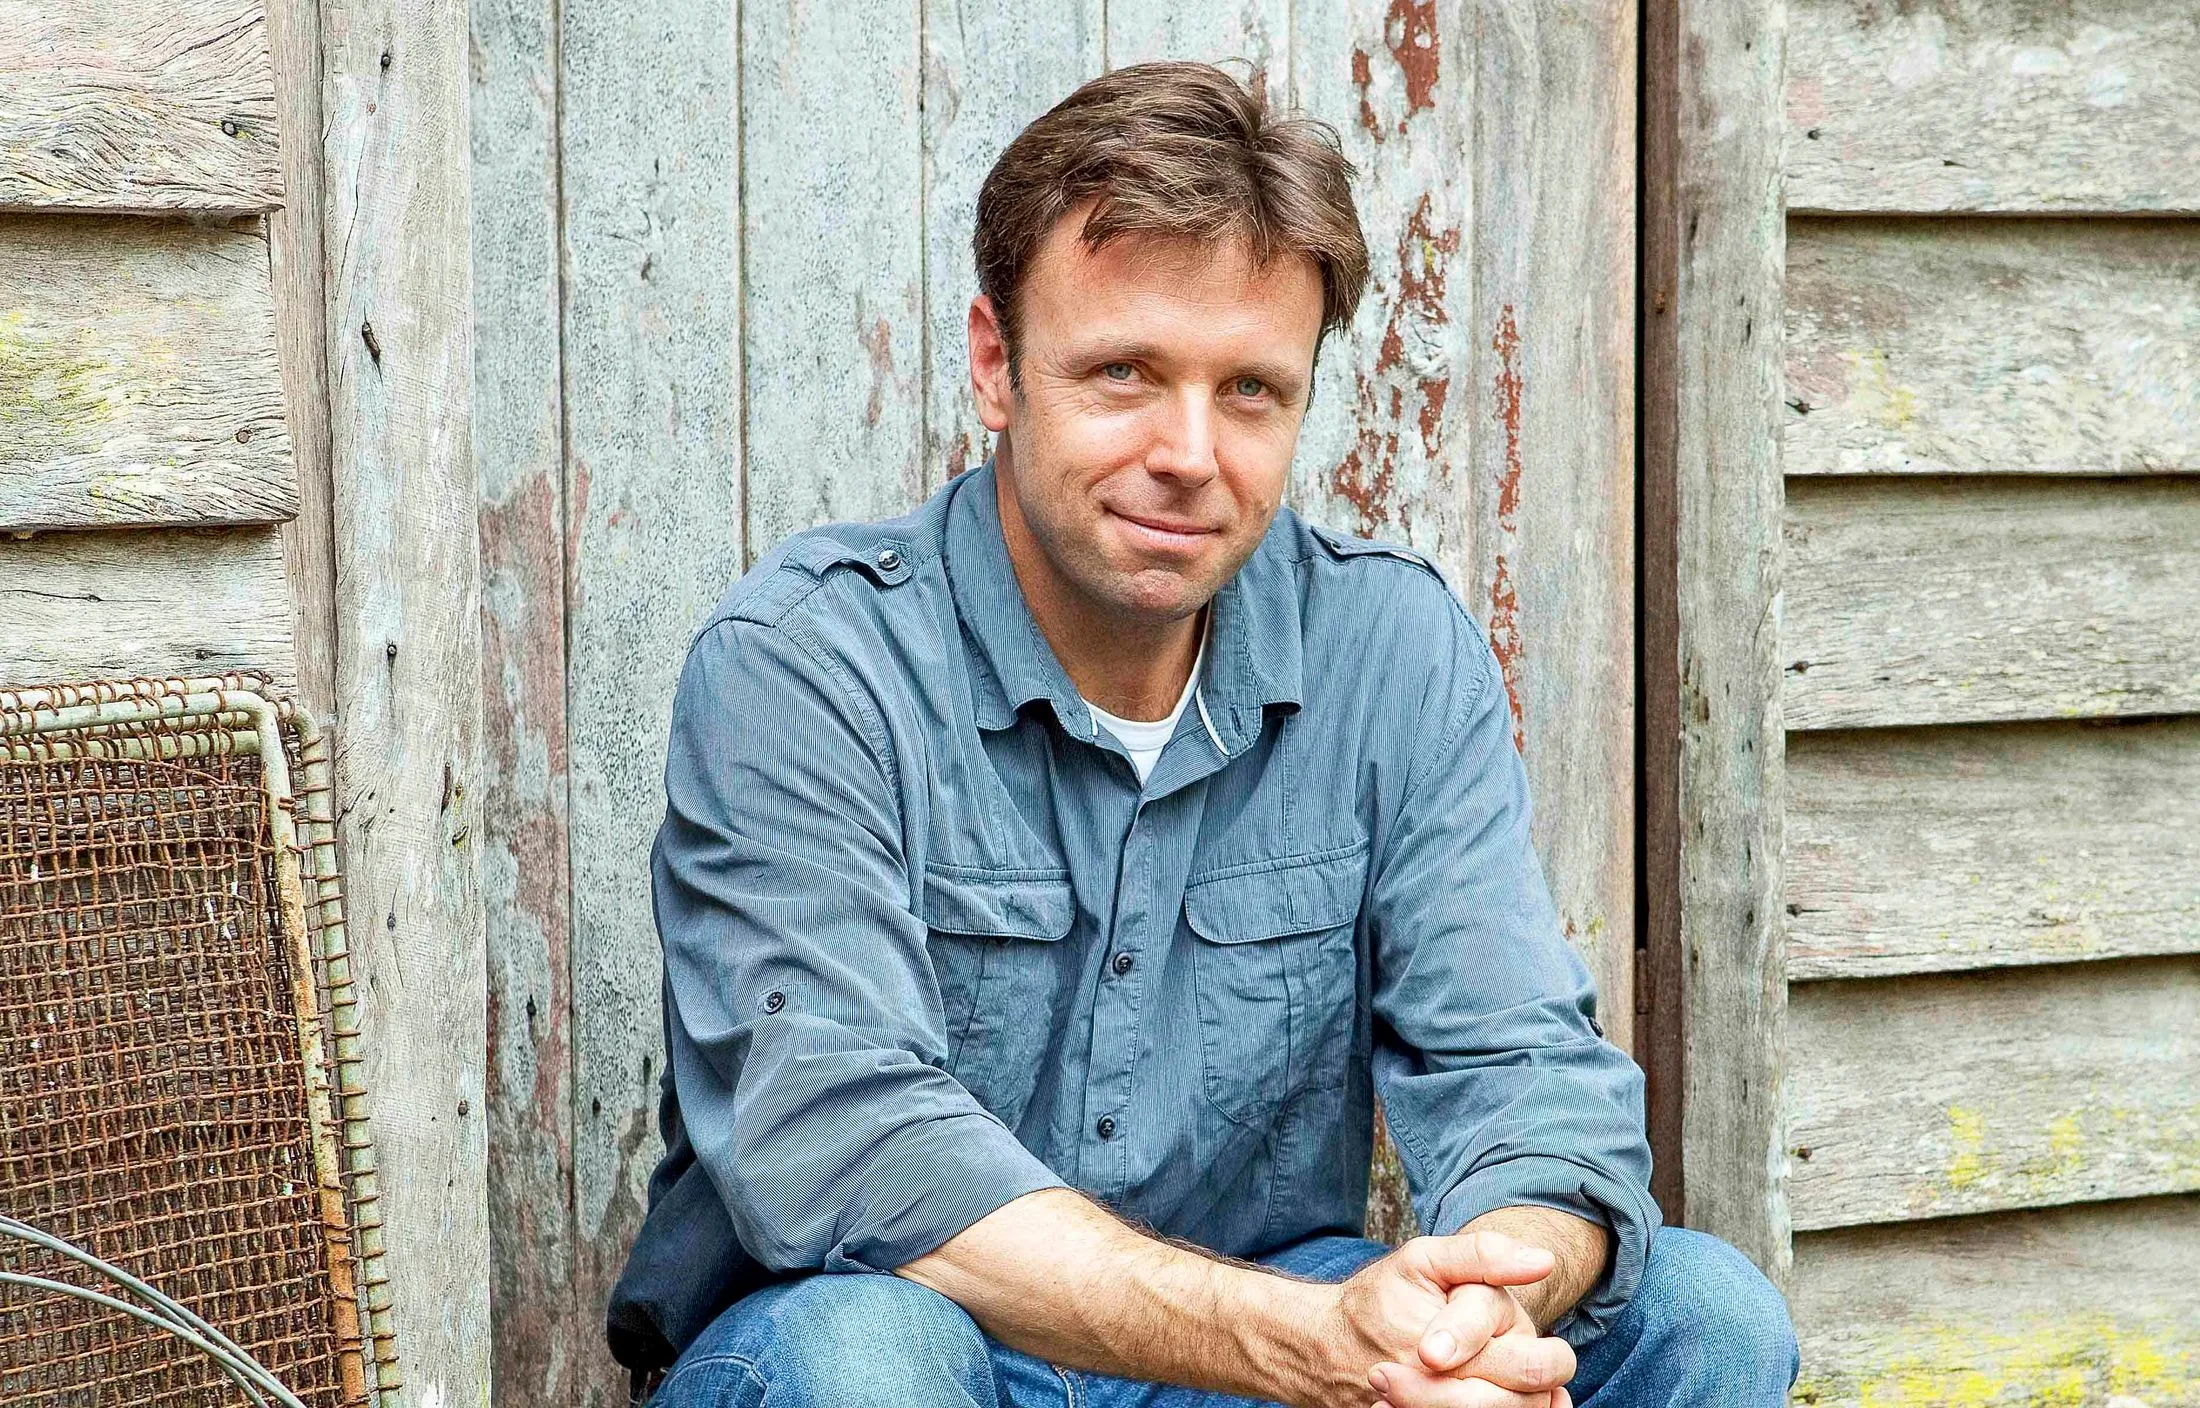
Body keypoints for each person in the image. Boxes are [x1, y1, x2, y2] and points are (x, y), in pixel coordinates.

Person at [610, 60, 1797, 1408]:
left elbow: (1524, 1072)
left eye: (1250, 392)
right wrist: (1300, 1344)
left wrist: (1470, 1310)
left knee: (1703, 1315)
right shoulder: (810, 665)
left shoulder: (1388, 656)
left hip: (1271, 1356)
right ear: (997, 364)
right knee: (860, 1362)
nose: (1191, 450)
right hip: (930, 1339)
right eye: (1125, 371)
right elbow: (849, 1144)